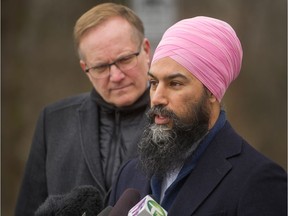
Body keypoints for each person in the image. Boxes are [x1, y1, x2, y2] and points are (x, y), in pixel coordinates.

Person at [108, 16, 287, 215]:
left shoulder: (257, 180)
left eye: (175, 83)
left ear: (212, 91)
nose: (157, 98)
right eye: (154, 83)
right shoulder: (130, 174)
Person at [15, 3, 151, 215]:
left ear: (146, 50)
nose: (116, 76)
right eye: (100, 67)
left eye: (124, 59)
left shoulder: (177, 119)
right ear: (85, 69)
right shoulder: (53, 121)